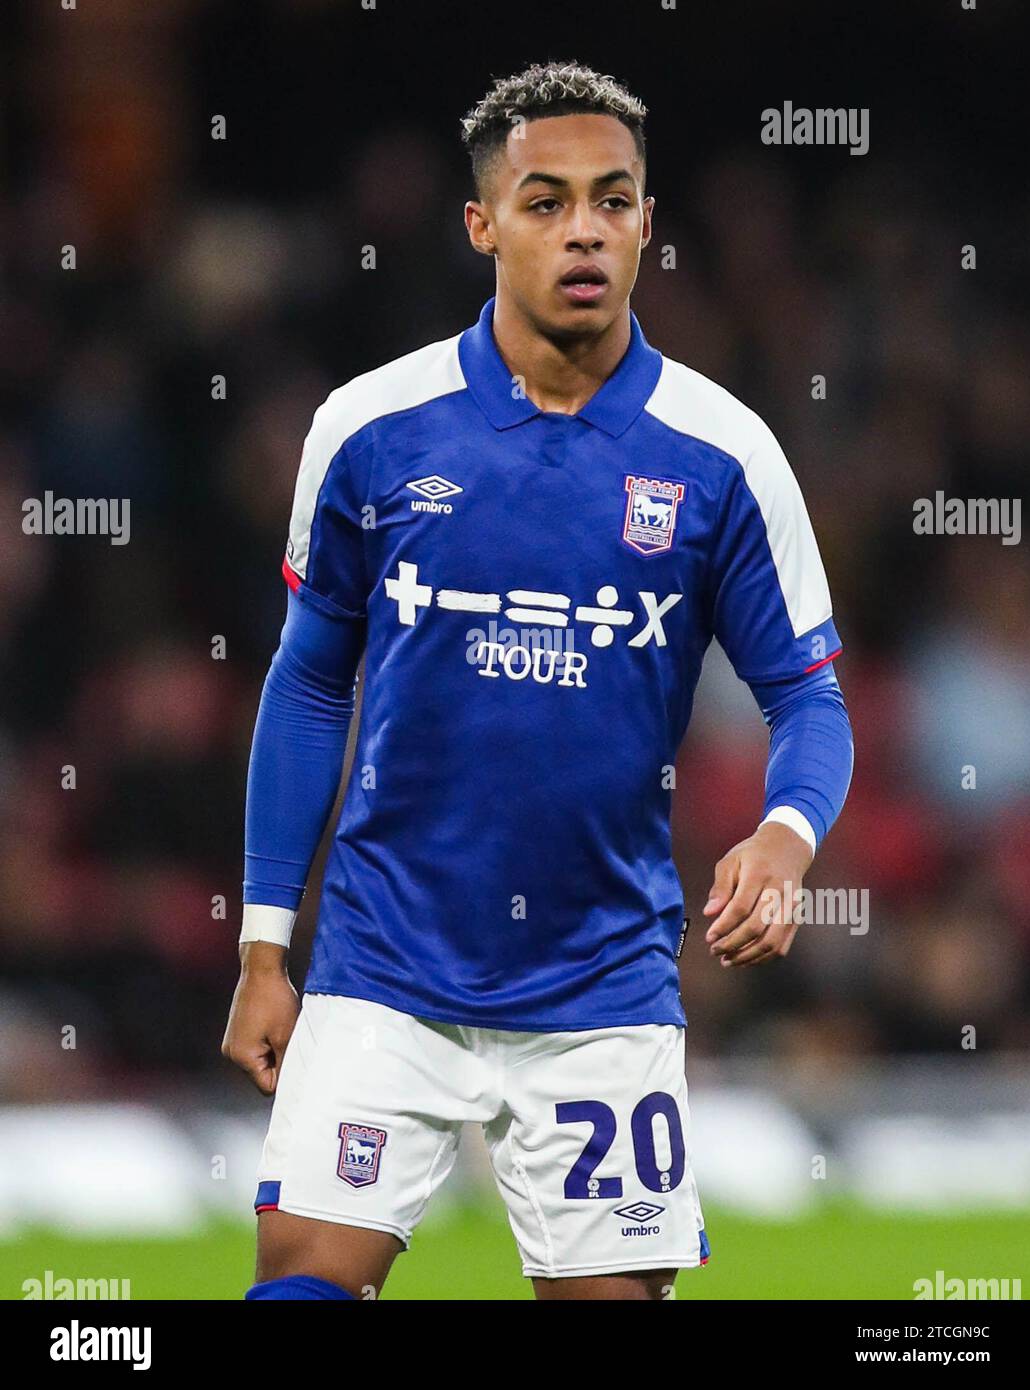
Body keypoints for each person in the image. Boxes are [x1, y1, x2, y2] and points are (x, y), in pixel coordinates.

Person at [222, 59, 854, 1302]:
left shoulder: (723, 455)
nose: (583, 230)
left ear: (645, 224)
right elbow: (307, 687)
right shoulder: (369, 428)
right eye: (545, 200)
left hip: (602, 983)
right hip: (381, 968)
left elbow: (807, 698)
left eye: (612, 201)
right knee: (298, 1289)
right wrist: (259, 948)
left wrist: (785, 837)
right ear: (481, 224)